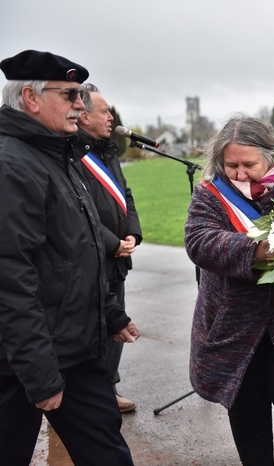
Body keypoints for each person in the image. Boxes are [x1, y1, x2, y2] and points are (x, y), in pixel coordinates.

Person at [0, 50, 139, 465]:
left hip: (76, 351)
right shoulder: (11, 165)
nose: (81, 104)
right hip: (21, 363)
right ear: (31, 97)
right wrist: (41, 377)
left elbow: (76, 252)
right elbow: (11, 279)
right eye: (71, 94)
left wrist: (110, 312)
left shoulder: (61, 155)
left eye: (80, 95)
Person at [184, 114, 274, 465]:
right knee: (248, 424)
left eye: (248, 164)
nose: (239, 173)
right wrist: (256, 250)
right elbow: (199, 240)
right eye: (230, 164)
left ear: (272, 155)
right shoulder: (210, 193)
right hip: (235, 330)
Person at [76, 83, 142, 413]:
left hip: (118, 256)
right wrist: (111, 243)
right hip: (94, 255)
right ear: (83, 115)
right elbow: (77, 207)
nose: (111, 117)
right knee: (92, 326)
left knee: (115, 321)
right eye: (104, 111)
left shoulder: (107, 151)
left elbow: (124, 195)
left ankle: (109, 388)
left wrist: (131, 233)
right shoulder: (74, 154)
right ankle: (93, 395)